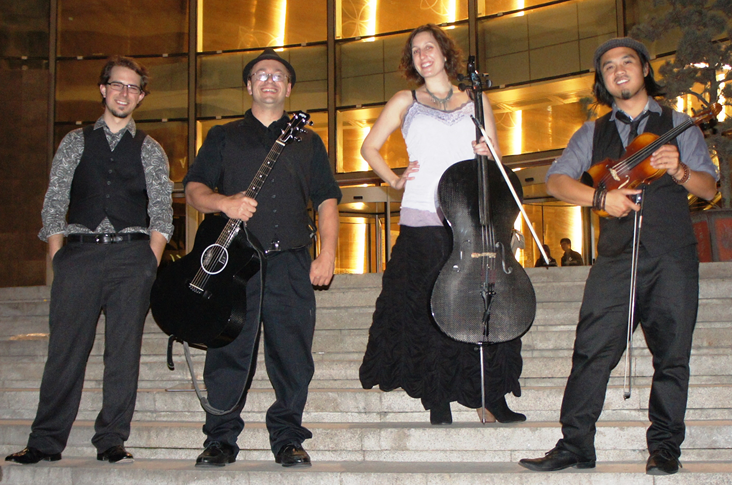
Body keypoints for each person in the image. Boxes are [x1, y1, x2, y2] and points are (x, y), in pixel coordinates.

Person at [519, 37, 718, 475]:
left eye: (627, 61)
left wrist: (680, 169)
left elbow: (710, 188)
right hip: (615, 256)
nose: (619, 69)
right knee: (591, 350)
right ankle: (576, 445)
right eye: (608, 66)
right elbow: (556, 181)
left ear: (645, 69)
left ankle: (664, 448)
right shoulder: (590, 132)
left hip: (670, 255)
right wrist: (599, 198)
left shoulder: (681, 123)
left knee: (672, 354)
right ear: (603, 81)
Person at [5, 56, 173, 465]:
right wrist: (59, 255)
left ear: (141, 97)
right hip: (79, 255)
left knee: (123, 352)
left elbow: (163, 210)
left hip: (132, 257)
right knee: (65, 350)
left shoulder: (150, 149)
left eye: (133, 88)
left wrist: (149, 262)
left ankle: (111, 439)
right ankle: (45, 442)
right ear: (103, 89)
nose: (124, 93)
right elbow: (54, 201)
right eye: (118, 85)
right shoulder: (75, 141)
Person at [359, 24, 525, 426]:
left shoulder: (477, 100)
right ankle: (438, 397)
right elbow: (369, 147)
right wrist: (395, 179)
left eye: (428, 47)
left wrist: (486, 153)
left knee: (485, 306)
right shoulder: (406, 100)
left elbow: (498, 163)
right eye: (415, 50)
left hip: (472, 218)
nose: (422, 55)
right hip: (422, 217)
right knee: (429, 309)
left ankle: (489, 395)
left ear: (445, 53)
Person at [183, 48, 341, 468]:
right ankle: (220, 439)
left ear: (288, 87)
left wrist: (327, 254)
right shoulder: (222, 136)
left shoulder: (309, 140)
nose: (269, 80)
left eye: (277, 75)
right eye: (260, 74)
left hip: (291, 259)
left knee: (292, 354)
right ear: (249, 86)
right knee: (227, 351)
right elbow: (193, 189)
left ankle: (288, 437)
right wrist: (224, 202)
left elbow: (326, 200)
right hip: (235, 264)